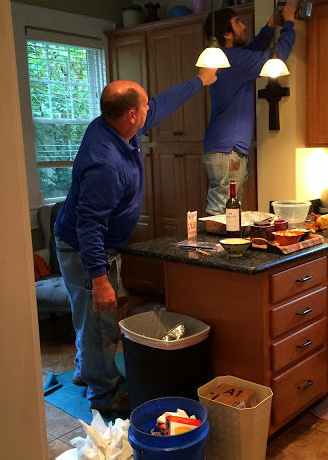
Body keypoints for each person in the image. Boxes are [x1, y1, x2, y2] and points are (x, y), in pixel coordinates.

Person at [54, 68, 217, 414]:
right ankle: (105, 395)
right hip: (85, 249)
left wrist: (200, 81)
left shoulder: (117, 127)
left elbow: (160, 105)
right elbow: (89, 227)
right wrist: (100, 281)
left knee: (88, 318)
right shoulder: (105, 164)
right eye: (144, 107)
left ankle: (86, 371)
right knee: (100, 324)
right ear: (131, 114)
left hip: (96, 245)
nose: (149, 111)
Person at [203, 4, 296, 215]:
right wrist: (289, 23)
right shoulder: (235, 60)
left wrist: (269, 27)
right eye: (237, 23)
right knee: (222, 212)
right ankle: (210, 239)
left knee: (228, 211)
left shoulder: (231, 56)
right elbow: (277, 56)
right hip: (227, 150)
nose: (244, 26)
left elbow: (253, 49)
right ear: (227, 34)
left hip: (226, 148)